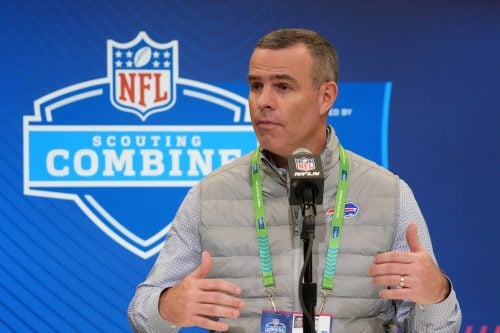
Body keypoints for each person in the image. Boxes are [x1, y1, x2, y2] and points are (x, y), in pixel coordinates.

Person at [128, 28, 461, 332]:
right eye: (256, 86)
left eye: (283, 86)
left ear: (326, 96)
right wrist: (168, 307)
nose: (263, 102)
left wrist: (436, 294)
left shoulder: (389, 194)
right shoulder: (210, 194)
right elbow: (141, 314)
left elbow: (435, 329)